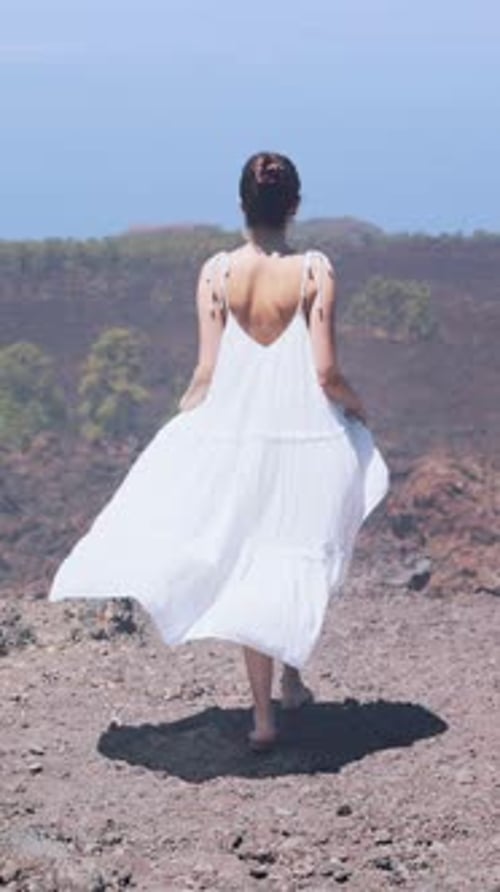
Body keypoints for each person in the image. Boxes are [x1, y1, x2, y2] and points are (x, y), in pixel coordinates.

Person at [48, 151, 389, 753]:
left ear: (240, 206)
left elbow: (206, 370)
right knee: (292, 549)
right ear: (296, 207)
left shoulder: (214, 273)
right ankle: (279, 697)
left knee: (251, 555)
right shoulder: (316, 271)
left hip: (239, 436)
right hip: (299, 436)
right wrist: (357, 407)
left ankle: (274, 702)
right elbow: (326, 370)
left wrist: (182, 428)